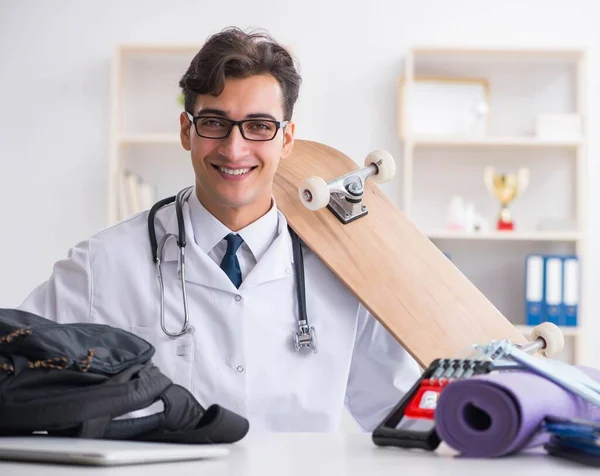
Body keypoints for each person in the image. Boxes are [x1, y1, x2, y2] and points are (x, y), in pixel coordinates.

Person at [16, 26, 421, 432]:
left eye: (259, 126)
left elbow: (407, 420)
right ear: (186, 131)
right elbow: (13, 372)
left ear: (287, 140)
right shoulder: (102, 265)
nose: (234, 148)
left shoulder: (347, 273)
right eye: (214, 122)